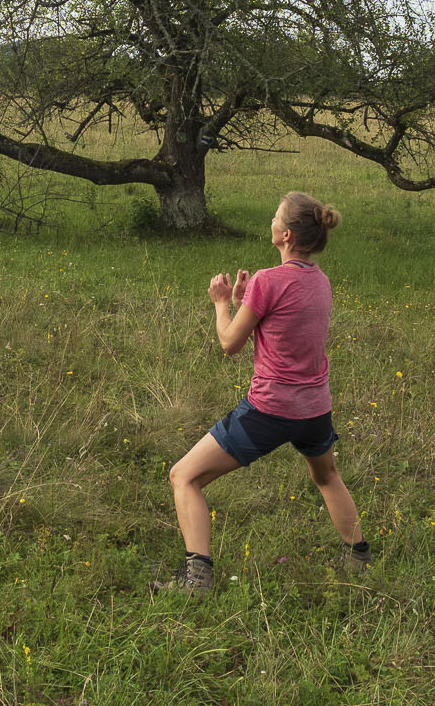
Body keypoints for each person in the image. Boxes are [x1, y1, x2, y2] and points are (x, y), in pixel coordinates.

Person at [156, 191, 370, 592]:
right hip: (315, 408)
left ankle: (196, 578)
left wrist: (222, 303)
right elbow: (283, 325)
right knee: (327, 476)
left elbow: (229, 343)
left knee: (183, 476)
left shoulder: (268, 281)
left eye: (274, 216)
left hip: (271, 410)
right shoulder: (320, 282)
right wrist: (245, 301)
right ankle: (358, 555)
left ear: (285, 235)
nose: (269, 221)